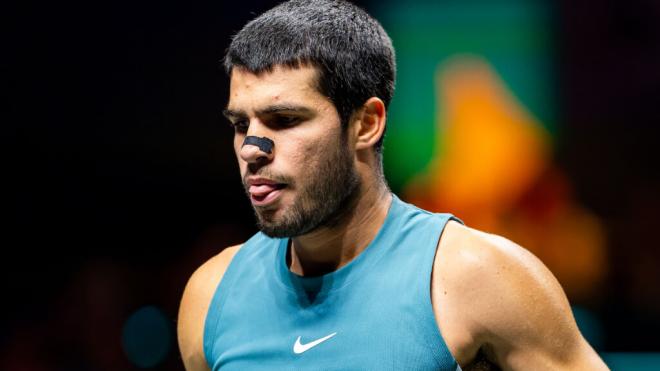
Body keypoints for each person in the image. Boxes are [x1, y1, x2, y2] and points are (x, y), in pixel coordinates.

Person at [177, 1, 609, 370]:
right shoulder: (211, 296)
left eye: (285, 120)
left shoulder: (476, 278)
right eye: (240, 124)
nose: (252, 149)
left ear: (366, 124)